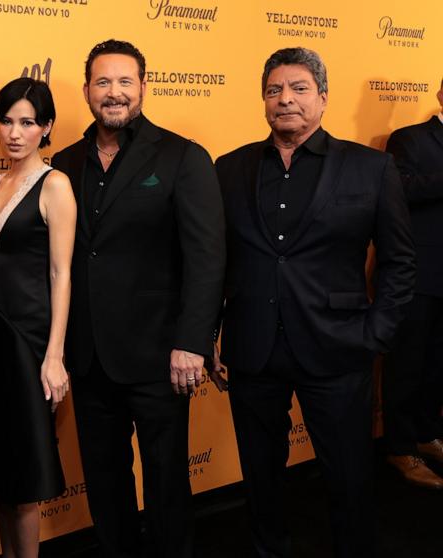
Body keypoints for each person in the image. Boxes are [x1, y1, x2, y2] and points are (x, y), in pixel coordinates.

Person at [211, 47, 416, 558]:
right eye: (274, 90)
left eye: (299, 89)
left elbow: (399, 261)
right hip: (254, 347)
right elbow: (215, 262)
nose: (286, 100)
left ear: (323, 98)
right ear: (263, 100)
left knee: (348, 477)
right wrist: (211, 332)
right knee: (260, 477)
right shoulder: (229, 169)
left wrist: (376, 334)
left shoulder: (371, 169)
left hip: (339, 346)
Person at [50, 39, 226, 558]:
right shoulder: (63, 162)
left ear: (143, 88)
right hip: (88, 359)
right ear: (87, 91)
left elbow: (207, 260)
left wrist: (193, 342)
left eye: (125, 82)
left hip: (161, 359)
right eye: (103, 82)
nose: (114, 93)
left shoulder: (182, 156)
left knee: (167, 482)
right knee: (105, 485)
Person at [0, 77, 75, 558]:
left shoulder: (55, 184)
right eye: (6, 121)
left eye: (27, 122)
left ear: (46, 128)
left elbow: (62, 275)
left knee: (23, 477)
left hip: (29, 344)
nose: (14, 132)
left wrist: (54, 357)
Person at [381, 78, 443, 489]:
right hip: (418, 274)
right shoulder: (410, 139)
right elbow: (397, 191)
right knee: (407, 363)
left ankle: (425, 434)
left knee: (438, 365)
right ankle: (399, 447)